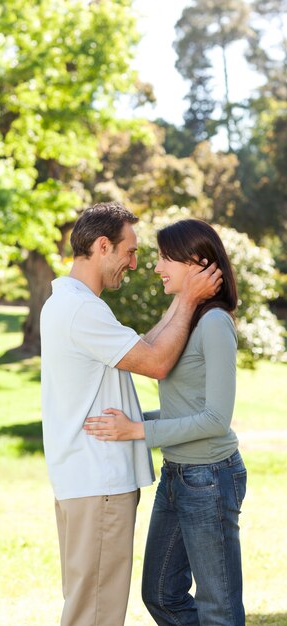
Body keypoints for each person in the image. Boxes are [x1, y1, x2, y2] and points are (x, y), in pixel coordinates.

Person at [40, 203, 222, 626]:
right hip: (98, 481)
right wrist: (191, 297)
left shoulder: (69, 303)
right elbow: (157, 361)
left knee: (87, 603)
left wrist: (183, 301)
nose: (136, 263)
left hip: (82, 481)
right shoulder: (82, 310)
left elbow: (143, 344)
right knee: (96, 613)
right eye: (130, 251)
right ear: (103, 246)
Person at [84, 218, 247, 626]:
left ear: (196, 263)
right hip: (177, 475)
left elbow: (215, 419)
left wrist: (137, 430)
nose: (156, 267)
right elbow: (151, 353)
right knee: (160, 593)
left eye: (165, 258)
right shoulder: (188, 319)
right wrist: (126, 423)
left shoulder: (214, 324)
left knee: (218, 608)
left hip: (210, 476)